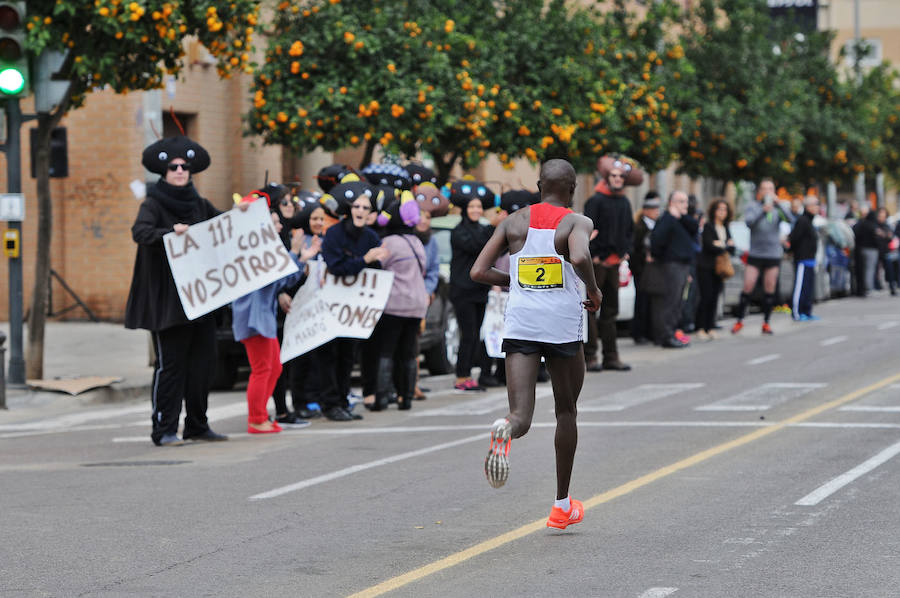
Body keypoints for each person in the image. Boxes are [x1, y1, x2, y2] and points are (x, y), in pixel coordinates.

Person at [470, 159, 601, 530]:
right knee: (566, 412)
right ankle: (562, 506)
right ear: (572, 188)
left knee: (521, 416)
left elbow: (478, 271)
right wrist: (592, 288)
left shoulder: (513, 221)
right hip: (561, 327)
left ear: (539, 184)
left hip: (522, 323)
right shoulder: (577, 222)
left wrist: (516, 282)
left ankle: (505, 428)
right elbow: (578, 255)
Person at [125, 135, 230, 447]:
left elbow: (225, 228)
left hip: (201, 300)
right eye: (174, 167)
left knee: (203, 365)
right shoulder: (153, 204)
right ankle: (164, 428)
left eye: (185, 166)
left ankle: (197, 424)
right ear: (164, 172)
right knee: (172, 367)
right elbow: (140, 233)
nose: (181, 171)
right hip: (169, 302)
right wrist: (171, 233)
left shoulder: (199, 204)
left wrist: (250, 215)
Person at [231, 202, 319, 433]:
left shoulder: (268, 250)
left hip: (263, 319)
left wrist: (301, 260)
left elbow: (282, 282)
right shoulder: (252, 251)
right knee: (262, 368)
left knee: (275, 368)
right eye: (275, 222)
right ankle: (256, 419)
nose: (280, 225)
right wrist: (295, 254)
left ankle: (260, 416)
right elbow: (275, 277)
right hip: (253, 319)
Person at [319, 181, 389, 421]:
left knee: (348, 355)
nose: (361, 211)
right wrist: (365, 260)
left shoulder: (370, 236)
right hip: (333, 306)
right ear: (349, 209)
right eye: (357, 206)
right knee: (331, 354)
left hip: (355, 308)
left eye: (366, 207)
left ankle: (342, 400)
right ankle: (330, 403)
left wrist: (377, 259)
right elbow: (336, 267)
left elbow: (376, 271)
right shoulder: (334, 234)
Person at [582, 156, 641, 372]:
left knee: (611, 311)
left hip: (615, 263)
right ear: (607, 177)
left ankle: (611, 356)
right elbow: (588, 230)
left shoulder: (625, 202)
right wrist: (595, 255)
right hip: (597, 264)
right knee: (591, 310)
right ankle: (590, 357)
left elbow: (629, 232)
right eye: (614, 176)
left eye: (621, 177)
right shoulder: (595, 201)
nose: (618, 180)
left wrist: (625, 252)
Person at [370, 196, 428, 410]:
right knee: (409, 352)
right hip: (417, 303)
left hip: (395, 303)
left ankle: (382, 397)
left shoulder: (390, 243)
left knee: (387, 351)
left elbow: (378, 265)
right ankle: (407, 397)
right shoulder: (417, 242)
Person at [448, 181, 496, 391]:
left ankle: (468, 376)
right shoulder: (458, 231)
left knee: (476, 334)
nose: (475, 210)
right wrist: (493, 228)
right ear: (465, 210)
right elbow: (476, 245)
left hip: (479, 290)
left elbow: (494, 250)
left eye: (478, 207)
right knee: (467, 335)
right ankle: (461, 377)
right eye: (471, 207)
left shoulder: (484, 229)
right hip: (462, 291)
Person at [732, 178, 791, 335]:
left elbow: (791, 219)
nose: (767, 191)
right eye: (764, 188)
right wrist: (762, 210)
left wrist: (778, 205)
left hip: (772, 254)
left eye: (770, 188)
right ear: (759, 191)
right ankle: (739, 320)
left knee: (769, 287)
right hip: (756, 253)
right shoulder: (753, 206)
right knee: (748, 285)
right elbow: (749, 223)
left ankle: (766, 322)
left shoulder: (778, 208)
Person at [649, 191, 698, 348]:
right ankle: (665, 336)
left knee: (678, 302)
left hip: (683, 266)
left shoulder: (683, 220)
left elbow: (694, 228)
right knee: (669, 302)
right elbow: (656, 241)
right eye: (680, 201)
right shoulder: (666, 219)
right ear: (671, 203)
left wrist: (680, 216)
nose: (685, 205)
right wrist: (671, 216)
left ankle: (672, 332)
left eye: (685, 201)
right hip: (671, 266)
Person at [695, 198, 734, 340]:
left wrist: (721, 244)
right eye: (719, 209)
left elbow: (732, 247)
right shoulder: (708, 227)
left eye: (724, 209)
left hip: (720, 269)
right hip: (706, 267)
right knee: (705, 297)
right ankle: (700, 327)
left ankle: (710, 326)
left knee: (714, 298)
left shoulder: (726, 228)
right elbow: (709, 246)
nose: (722, 212)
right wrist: (725, 245)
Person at [631, 192, 660, 345]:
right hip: (641, 269)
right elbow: (635, 249)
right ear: (646, 211)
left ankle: (650, 331)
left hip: (653, 270)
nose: (657, 212)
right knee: (641, 301)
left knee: (650, 301)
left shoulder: (656, 225)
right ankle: (639, 332)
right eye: (654, 209)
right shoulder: (639, 227)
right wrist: (643, 259)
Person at [786, 196, 820, 321]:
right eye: (815, 204)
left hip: (811, 260)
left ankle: (807, 311)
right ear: (808, 206)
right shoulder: (802, 220)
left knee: (808, 288)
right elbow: (794, 238)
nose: (817, 207)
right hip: (802, 259)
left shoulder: (810, 221)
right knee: (800, 287)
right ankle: (796, 312)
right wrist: (791, 251)